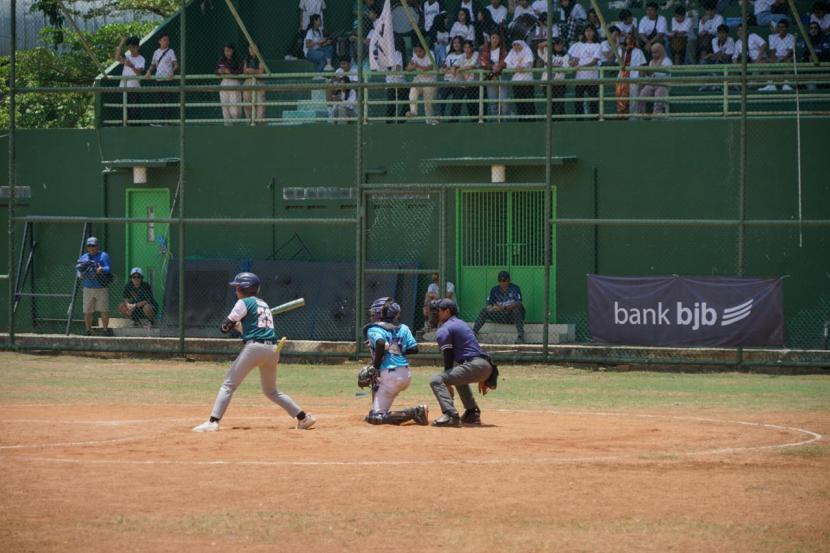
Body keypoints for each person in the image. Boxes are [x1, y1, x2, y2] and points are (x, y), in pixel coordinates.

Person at [192, 272, 316, 432]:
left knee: (228, 385)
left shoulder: (243, 302)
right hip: (273, 349)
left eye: (237, 287)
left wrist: (233, 324)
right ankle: (303, 418)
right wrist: (239, 326)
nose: (235, 290)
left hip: (255, 348)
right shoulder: (263, 304)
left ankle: (213, 422)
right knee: (271, 391)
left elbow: (224, 328)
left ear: (243, 288)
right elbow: (253, 330)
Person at [429, 299, 498, 427]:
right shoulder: (460, 323)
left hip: (475, 365)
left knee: (436, 380)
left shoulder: (445, 328)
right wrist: (487, 375)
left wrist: (446, 381)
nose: (433, 314)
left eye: (437, 311)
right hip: (485, 365)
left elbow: (448, 355)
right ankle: (472, 413)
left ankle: (450, 415)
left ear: (447, 311)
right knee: (457, 373)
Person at [361, 297, 428, 426]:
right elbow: (413, 349)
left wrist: (375, 367)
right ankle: (378, 408)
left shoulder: (374, 328)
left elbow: (381, 343)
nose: (373, 315)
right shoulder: (403, 327)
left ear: (381, 314)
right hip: (405, 373)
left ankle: (415, 412)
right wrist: (396, 349)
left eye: (375, 312)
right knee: (374, 408)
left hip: (390, 375)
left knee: (376, 418)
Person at [472, 270, 525, 343]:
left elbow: (518, 303)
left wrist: (504, 308)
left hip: (511, 316)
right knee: (484, 310)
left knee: (517, 309)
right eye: (500, 281)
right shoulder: (494, 290)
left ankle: (520, 336)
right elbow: (488, 304)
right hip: (500, 315)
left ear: (509, 280)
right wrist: (493, 308)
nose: (502, 283)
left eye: (505, 281)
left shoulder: (515, 288)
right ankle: (473, 333)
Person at [75, 236, 113, 336]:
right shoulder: (83, 257)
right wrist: (80, 275)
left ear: (97, 246)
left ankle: (105, 330)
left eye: (93, 245)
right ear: (87, 247)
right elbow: (78, 270)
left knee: (104, 310)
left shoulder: (104, 256)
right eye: (89, 246)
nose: (92, 248)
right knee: (87, 311)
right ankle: (88, 330)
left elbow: (108, 268)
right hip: (88, 288)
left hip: (101, 287)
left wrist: (102, 269)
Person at [144, 33, 178, 123]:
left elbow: (176, 65)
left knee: (168, 101)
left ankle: (167, 122)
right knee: (160, 101)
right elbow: (153, 65)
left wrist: (172, 72)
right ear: (159, 41)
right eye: (164, 40)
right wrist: (148, 71)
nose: (166, 42)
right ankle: (161, 121)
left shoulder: (171, 51)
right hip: (158, 80)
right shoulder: (156, 52)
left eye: (167, 40)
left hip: (168, 80)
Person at [568, 25, 601, 118]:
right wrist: (572, 62)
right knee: (578, 101)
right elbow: (574, 59)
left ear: (594, 32)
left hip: (593, 79)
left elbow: (594, 61)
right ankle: (579, 119)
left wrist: (581, 66)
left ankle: (595, 119)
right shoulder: (579, 45)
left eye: (591, 31)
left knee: (594, 102)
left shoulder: (597, 45)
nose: (588, 33)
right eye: (587, 31)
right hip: (580, 78)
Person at [114, 36, 145, 124]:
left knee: (134, 111)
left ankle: (135, 128)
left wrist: (131, 65)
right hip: (124, 88)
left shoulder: (141, 59)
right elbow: (116, 58)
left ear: (137, 47)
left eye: (132, 47)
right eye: (129, 47)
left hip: (134, 88)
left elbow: (139, 73)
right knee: (124, 110)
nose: (130, 49)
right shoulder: (127, 55)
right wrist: (121, 44)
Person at [479, 31, 509, 117]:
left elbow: (506, 61)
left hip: (502, 76)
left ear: (500, 40)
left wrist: (499, 66)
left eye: (497, 38)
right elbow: (482, 62)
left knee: (504, 102)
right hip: (490, 77)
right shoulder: (484, 49)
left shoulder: (503, 50)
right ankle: (495, 122)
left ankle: (505, 122)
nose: (495, 40)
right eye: (493, 38)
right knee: (492, 102)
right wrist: (492, 67)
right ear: (490, 39)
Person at [406, 43, 438, 124]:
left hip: (430, 82)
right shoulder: (415, 56)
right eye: (416, 51)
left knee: (428, 103)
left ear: (424, 50)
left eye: (420, 51)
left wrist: (416, 66)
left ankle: (429, 121)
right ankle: (413, 111)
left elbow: (429, 67)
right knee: (413, 91)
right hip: (419, 81)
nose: (417, 53)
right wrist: (412, 66)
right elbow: (408, 68)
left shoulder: (430, 53)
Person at [538, 37, 569, 118]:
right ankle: (551, 122)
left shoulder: (565, 55)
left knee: (559, 105)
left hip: (559, 83)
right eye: (557, 44)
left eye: (561, 44)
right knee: (550, 105)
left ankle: (560, 123)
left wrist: (553, 66)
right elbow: (539, 46)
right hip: (547, 83)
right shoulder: (547, 52)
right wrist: (549, 41)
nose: (560, 46)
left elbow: (566, 69)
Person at [504, 39, 535, 120]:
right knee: (519, 102)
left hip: (527, 81)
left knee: (529, 103)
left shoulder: (527, 50)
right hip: (516, 82)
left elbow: (529, 63)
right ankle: (521, 120)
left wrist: (523, 67)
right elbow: (507, 64)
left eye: (518, 44)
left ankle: (531, 120)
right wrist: (515, 67)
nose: (516, 46)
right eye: (514, 45)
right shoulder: (512, 52)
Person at [616, 32, 646, 115]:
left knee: (633, 99)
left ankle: (633, 117)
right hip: (622, 77)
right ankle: (622, 117)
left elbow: (642, 66)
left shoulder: (638, 51)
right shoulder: (621, 50)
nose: (629, 40)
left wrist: (641, 80)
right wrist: (622, 51)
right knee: (621, 99)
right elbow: (620, 64)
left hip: (634, 78)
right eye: (627, 38)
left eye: (631, 38)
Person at [638, 43, 672, 116]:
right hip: (652, 83)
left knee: (658, 98)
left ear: (660, 51)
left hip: (663, 84)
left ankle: (656, 116)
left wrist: (653, 72)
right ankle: (641, 115)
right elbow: (650, 75)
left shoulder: (667, 61)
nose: (654, 55)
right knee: (641, 96)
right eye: (653, 53)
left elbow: (663, 75)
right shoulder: (651, 62)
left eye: (656, 52)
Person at [216, 43, 243, 125]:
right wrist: (219, 71)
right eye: (225, 51)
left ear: (232, 50)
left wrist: (230, 72)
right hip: (224, 81)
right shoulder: (222, 59)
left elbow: (240, 71)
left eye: (228, 50)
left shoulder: (237, 59)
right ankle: (227, 124)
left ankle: (236, 122)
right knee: (224, 104)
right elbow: (216, 70)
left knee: (235, 106)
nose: (226, 52)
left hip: (234, 81)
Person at [327, 57, 358, 123]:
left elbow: (350, 105)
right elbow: (333, 81)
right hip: (340, 109)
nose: (342, 66)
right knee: (335, 109)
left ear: (349, 64)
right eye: (341, 64)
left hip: (352, 112)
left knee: (341, 108)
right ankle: (329, 112)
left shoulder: (352, 92)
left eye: (344, 64)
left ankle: (341, 128)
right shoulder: (339, 71)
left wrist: (340, 101)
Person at [242, 43, 266, 124]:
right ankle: (249, 121)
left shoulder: (260, 58)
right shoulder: (247, 58)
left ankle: (259, 121)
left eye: (253, 48)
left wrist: (253, 71)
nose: (251, 50)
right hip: (248, 81)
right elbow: (244, 71)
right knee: (247, 101)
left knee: (260, 102)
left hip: (258, 81)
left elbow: (261, 71)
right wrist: (247, 71)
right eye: (250, 48)